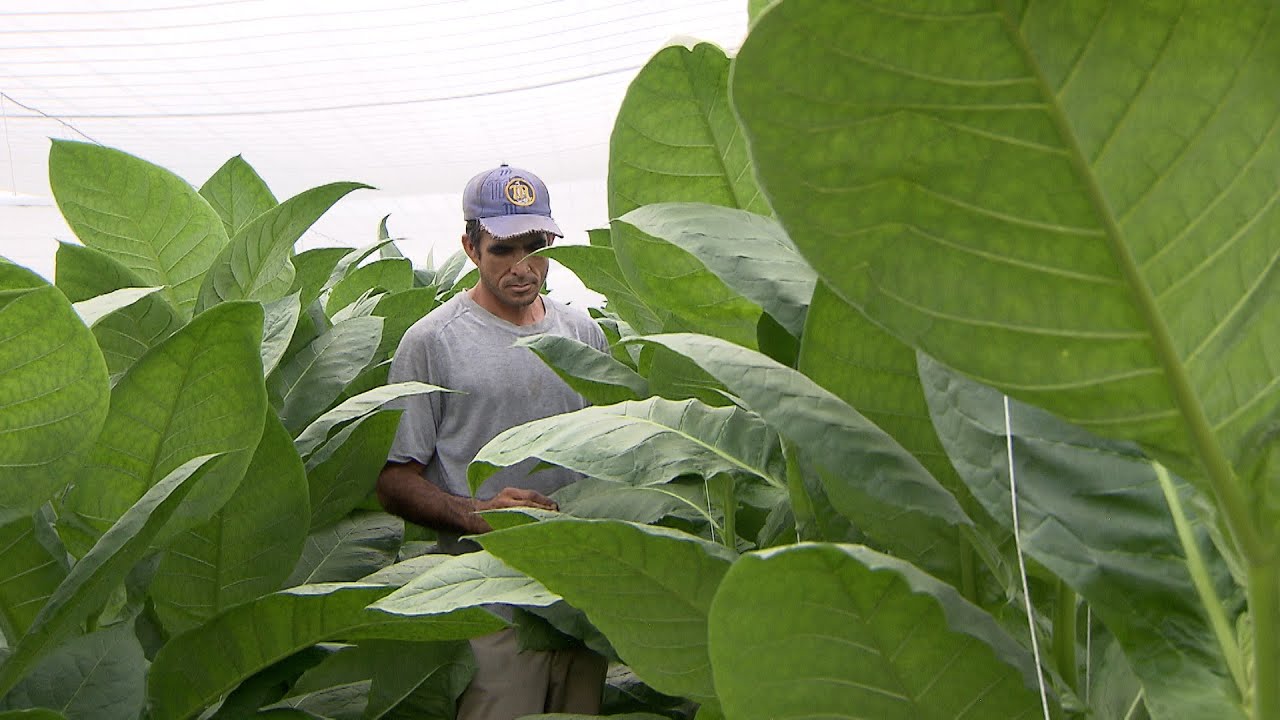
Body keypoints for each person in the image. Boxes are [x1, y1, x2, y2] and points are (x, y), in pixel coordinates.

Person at [377, 164, 609, 720]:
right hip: (490, 602)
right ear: (471, 247)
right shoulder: (432, 342)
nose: (523, 267)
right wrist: (481, 514)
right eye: (503, 249)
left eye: (536, 247)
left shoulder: (582, 334)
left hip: (579, 594)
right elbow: (393, 480)